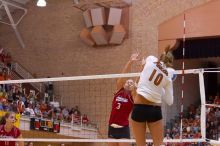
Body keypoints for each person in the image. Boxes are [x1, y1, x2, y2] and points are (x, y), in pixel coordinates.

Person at [131, 47, 175, 146]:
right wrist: (162, 87)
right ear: (171, 62)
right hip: (154, 110)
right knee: (159, 145)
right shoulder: (168, 77)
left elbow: (143, 68)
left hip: (139, 108)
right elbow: (170, 101)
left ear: (160, 56)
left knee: (140, 144)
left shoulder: (151, 59)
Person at [108, 52, 140, 146]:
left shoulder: (132, 96)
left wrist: (142, 69)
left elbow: (136, 83)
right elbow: (122, 76)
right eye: (127, 82)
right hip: (111, 127)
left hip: (123, 129)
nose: (129, 83)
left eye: (131, 83)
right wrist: (130, 62)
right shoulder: (119, 90)